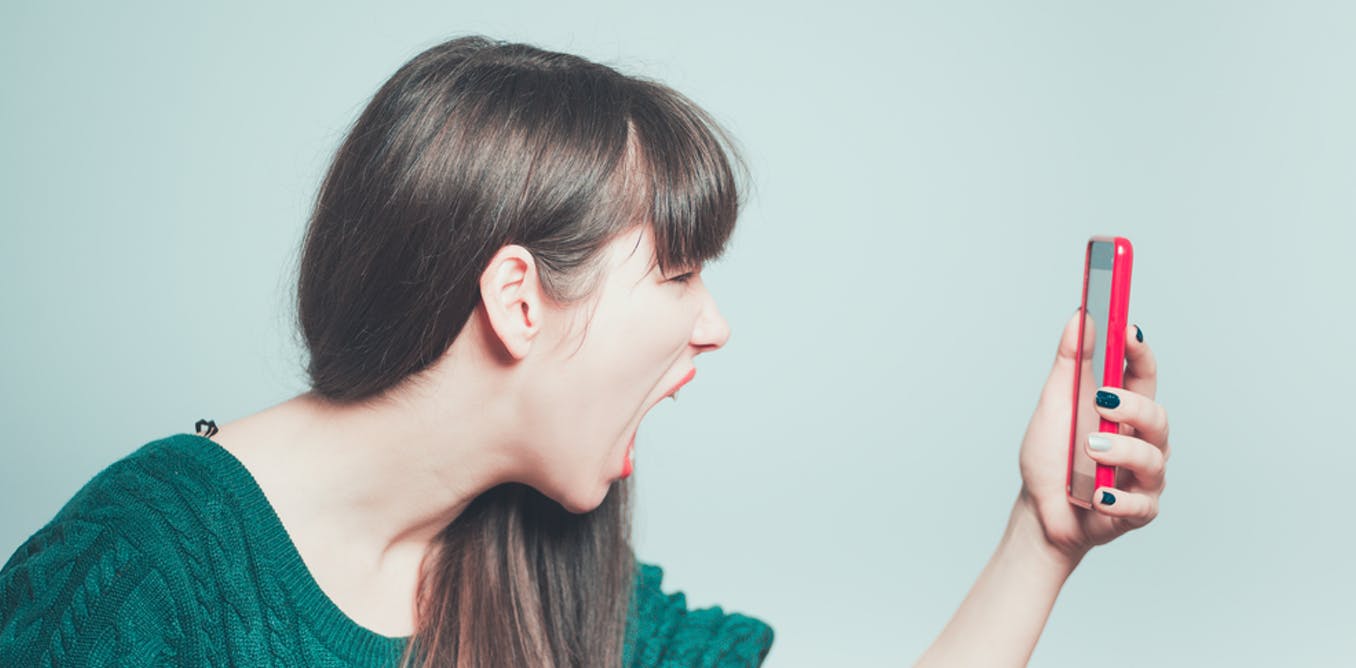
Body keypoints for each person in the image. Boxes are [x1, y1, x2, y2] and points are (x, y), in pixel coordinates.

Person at [0, 35, 1170, 667]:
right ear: (519, 298)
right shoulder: (141, 574)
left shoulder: (549, 566)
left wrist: (1043, 534)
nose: (713, 323)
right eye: (676, 271)